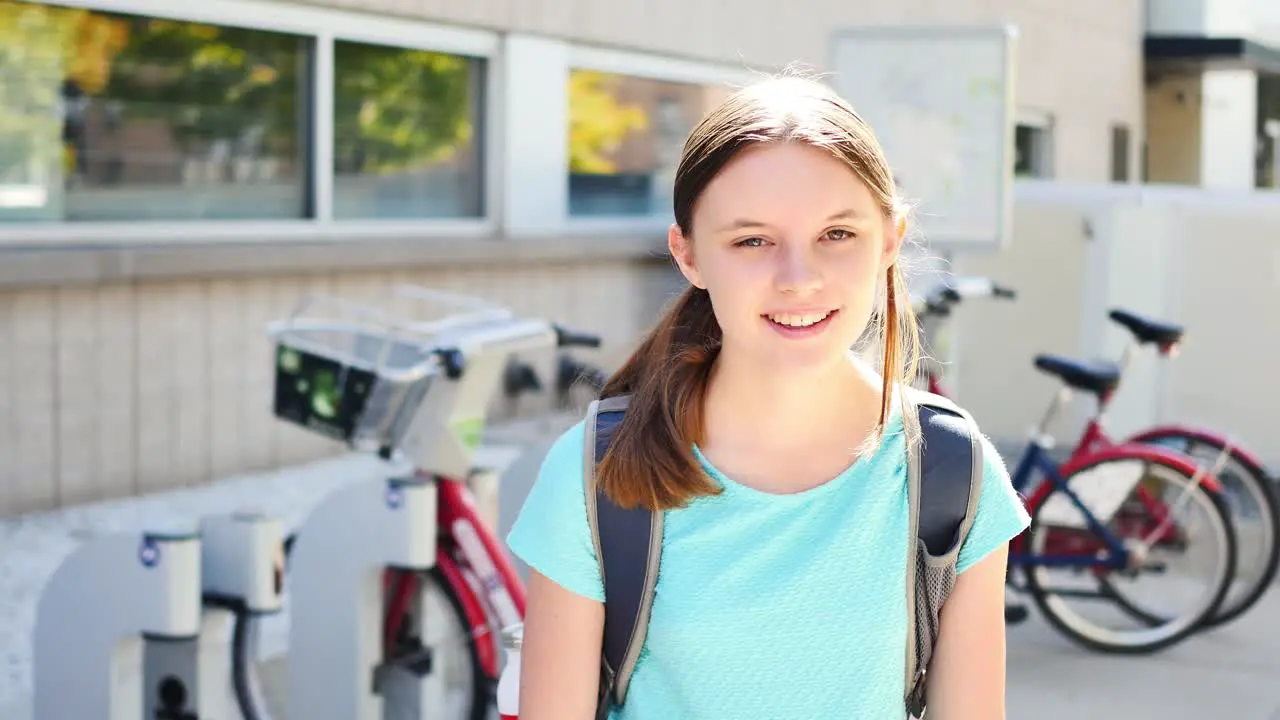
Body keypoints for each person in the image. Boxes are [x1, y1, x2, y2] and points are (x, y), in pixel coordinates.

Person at [505, 74, 1031, 720]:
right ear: (689, 255)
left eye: (837, 234)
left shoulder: (952, 475)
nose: (798, 278)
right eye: (752, 240)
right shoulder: (596, 475)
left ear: (889, 242)